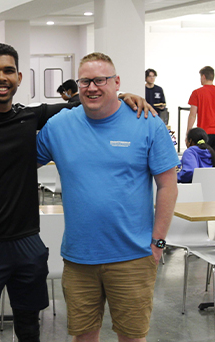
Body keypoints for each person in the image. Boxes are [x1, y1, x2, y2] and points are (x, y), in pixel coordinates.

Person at [0, 43, 152, 342]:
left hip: (28, 244)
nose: (1, 78)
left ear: (18, 77)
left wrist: (123, 96)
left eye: (8, 71)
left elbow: (82, 102)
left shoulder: (30, 117)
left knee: (30, 328)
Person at [37, 52, 179, 342]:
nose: (92, 88)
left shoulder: (147, 121)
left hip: (133, 255)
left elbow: (168, 186)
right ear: (78, 85)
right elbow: (19, 162)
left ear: (116, 83)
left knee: (132, 337)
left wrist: (158, 242)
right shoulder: (59, 126)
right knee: (83, 337)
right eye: (86, 81)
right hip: (79, 258)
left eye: (100, 80)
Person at [187, 66, 215, 166]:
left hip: (203, 133)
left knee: (203, 161)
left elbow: (192, 115)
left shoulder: (197, 93)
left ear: (203, 76)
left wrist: (189, 132)